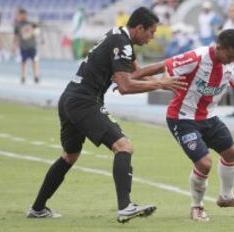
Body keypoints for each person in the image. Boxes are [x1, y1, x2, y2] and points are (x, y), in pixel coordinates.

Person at [26, 7, 187, 223]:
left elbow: (133, 74)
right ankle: (125, 207)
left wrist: (162, 76)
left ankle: (37, 208)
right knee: (124, 146)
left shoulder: (118, 36)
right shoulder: (122, 43)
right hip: (84, 101)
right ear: (139, 28)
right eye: (151, 32)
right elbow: (125, 86)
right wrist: (161, 81)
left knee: (70, 155)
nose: (152, 37)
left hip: (70, 98)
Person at [131, 29, 234, 221]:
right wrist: (133, 76)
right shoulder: (196, 57)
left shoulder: (231, 64)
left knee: (232, 154)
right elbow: (163, 65)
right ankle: (197, 207)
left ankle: (226, 197)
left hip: (209, 118)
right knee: (204, 163)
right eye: (229, 56)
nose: (231, 60)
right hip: (182, 118)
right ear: (219, 48)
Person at [12, 8, 41, 84]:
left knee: (34, 61)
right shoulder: (17, 25)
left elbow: (38, 31)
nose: (24, 16)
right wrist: (14, 46)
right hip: (23, 46)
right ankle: (23, 77)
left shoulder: (31, 23)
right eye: (22, 15)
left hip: (32, 45)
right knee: (23, 62)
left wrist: (37, 34)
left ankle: (36, 76)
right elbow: (16, 37)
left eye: (25, 15)